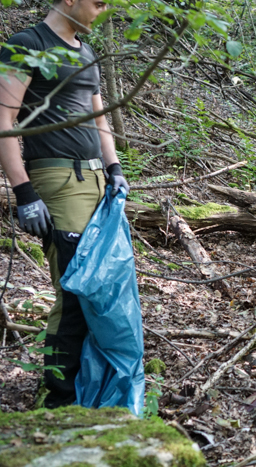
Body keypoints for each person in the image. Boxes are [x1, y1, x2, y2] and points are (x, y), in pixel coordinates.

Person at [0, 0, 130, 408]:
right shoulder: (26, 44)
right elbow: (3, 122)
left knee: (104, 287)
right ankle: (57, 399)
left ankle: (92, 391)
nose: (103, 10)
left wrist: (115, 168)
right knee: (74, 289)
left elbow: (100, 119)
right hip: (56, 180)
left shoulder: (87, 52)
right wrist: (24, 192)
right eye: (98, 2)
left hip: (96, 183)